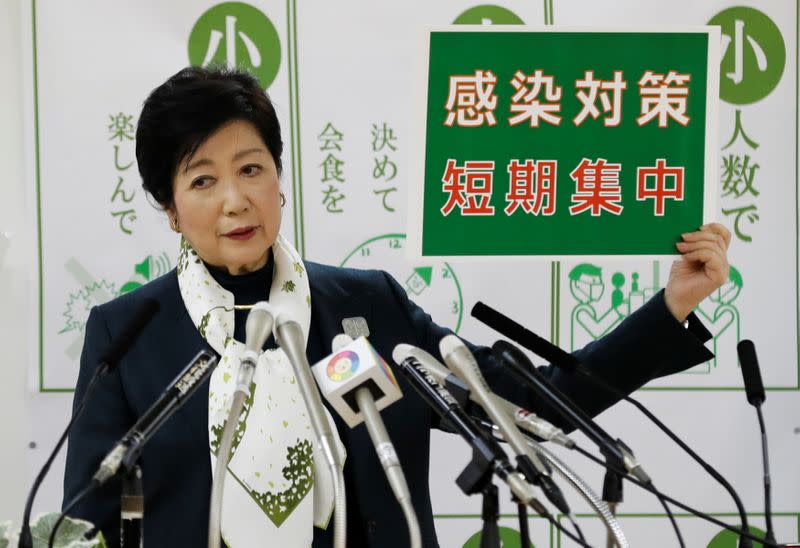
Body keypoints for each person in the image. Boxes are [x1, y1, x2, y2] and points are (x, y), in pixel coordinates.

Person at [63, 66, 731, 548]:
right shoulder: (130, 333)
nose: (236, 199)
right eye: (203, 179)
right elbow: (84, 517)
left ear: (280, 178)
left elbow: (532, 405)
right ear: (170, 209)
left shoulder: (367, 306)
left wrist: (671, 305)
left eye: (252, 168)